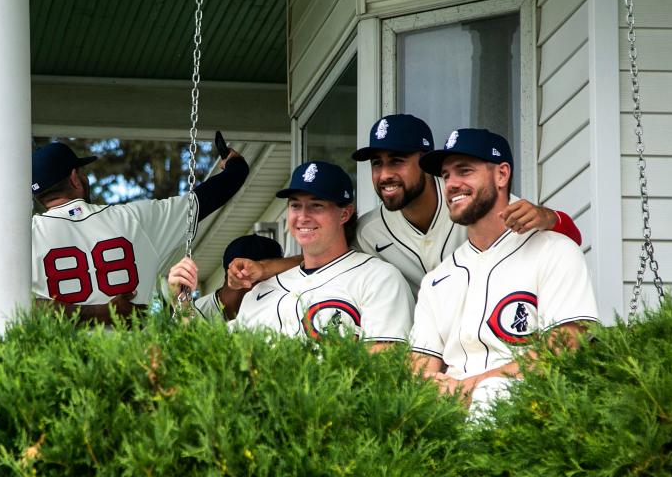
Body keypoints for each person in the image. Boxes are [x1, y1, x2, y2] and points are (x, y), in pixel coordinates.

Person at [229, 114, 582, 298]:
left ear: (426, 161)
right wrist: (266, 268)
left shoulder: (469, 203)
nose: (384, 174)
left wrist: (548, 216)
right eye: (376, 164)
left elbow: (570, 238)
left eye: (396, 160)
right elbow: (321, 256)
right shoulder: (369, 230)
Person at [0, 140, 249, 323]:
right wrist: (234, 164)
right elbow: (214, 194)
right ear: (74, 177)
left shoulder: (18, 236)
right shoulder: (137, 218)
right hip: (131, 364)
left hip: (61, 370)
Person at [408, 129, 599, 413]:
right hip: (450, 414)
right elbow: (419, 370)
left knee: (490, 393)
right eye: (446, 175)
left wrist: (468, 386)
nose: (451, 184)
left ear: (501, 174)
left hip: (530, 410)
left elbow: (565, 348)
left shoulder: (554, 250)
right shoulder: (437, 280)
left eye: (464, 171)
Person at [232, 161, 413, 350]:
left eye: (316, 205)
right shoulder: (261, 291)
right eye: (295, 205)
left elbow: (384, 366)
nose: (302, 216)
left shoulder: (378, 278)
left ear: (345, 214)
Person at [167, 234, 283, 321]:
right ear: (245, 276)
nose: (279, 285)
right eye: (272, 278)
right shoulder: (194, 312)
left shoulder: (275, 309)